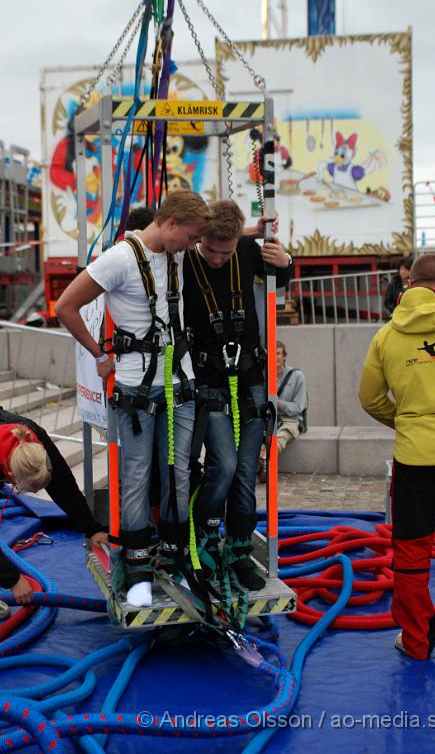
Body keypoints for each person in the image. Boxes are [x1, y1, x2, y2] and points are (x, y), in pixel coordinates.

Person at [55, 190, 209, 608]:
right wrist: (100, 356)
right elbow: (66, 305)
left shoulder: (177, 255)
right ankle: (139, 568)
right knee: (138, 476)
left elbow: (218, 243)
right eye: (190, 237)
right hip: (136, 389)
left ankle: (176, 558)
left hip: (180, 385)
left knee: (177, 474)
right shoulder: (120, 259)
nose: (192, 246)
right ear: (172, 224)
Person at [358, 254, 435, 660]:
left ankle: (417, 641)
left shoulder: (387, 336)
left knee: (410, 553)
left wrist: (406, 421)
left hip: (414, 458)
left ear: (408, 283)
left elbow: (369, 398)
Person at [0, 401, 108, 657]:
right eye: (30, 489)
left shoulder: (35, 440)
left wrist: (91, 528)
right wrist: (12, 580)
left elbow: (64, 486)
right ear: (9, 475)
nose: (36, 493)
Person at [183, 199, 292, 590]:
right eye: (209, 248)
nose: (215, 257)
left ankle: (239, 551)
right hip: (209, 382)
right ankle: (207, 530)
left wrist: (285, 262)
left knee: (246, 473)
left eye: (224, 251)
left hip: (248, 380)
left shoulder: (244, 251)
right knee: (223, 466)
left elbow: (282, 279)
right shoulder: (186, 262)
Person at [258, 340, 308, 483]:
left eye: (278, 353)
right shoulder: (263, 376)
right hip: (268, 419)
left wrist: (279, 404)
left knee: (281, 436)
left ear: (284, 356)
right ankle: (262, 462)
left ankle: (265, 460)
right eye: (273, 353)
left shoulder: (297, 376)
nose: (276, 357)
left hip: (289, 419)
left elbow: (298, 408)